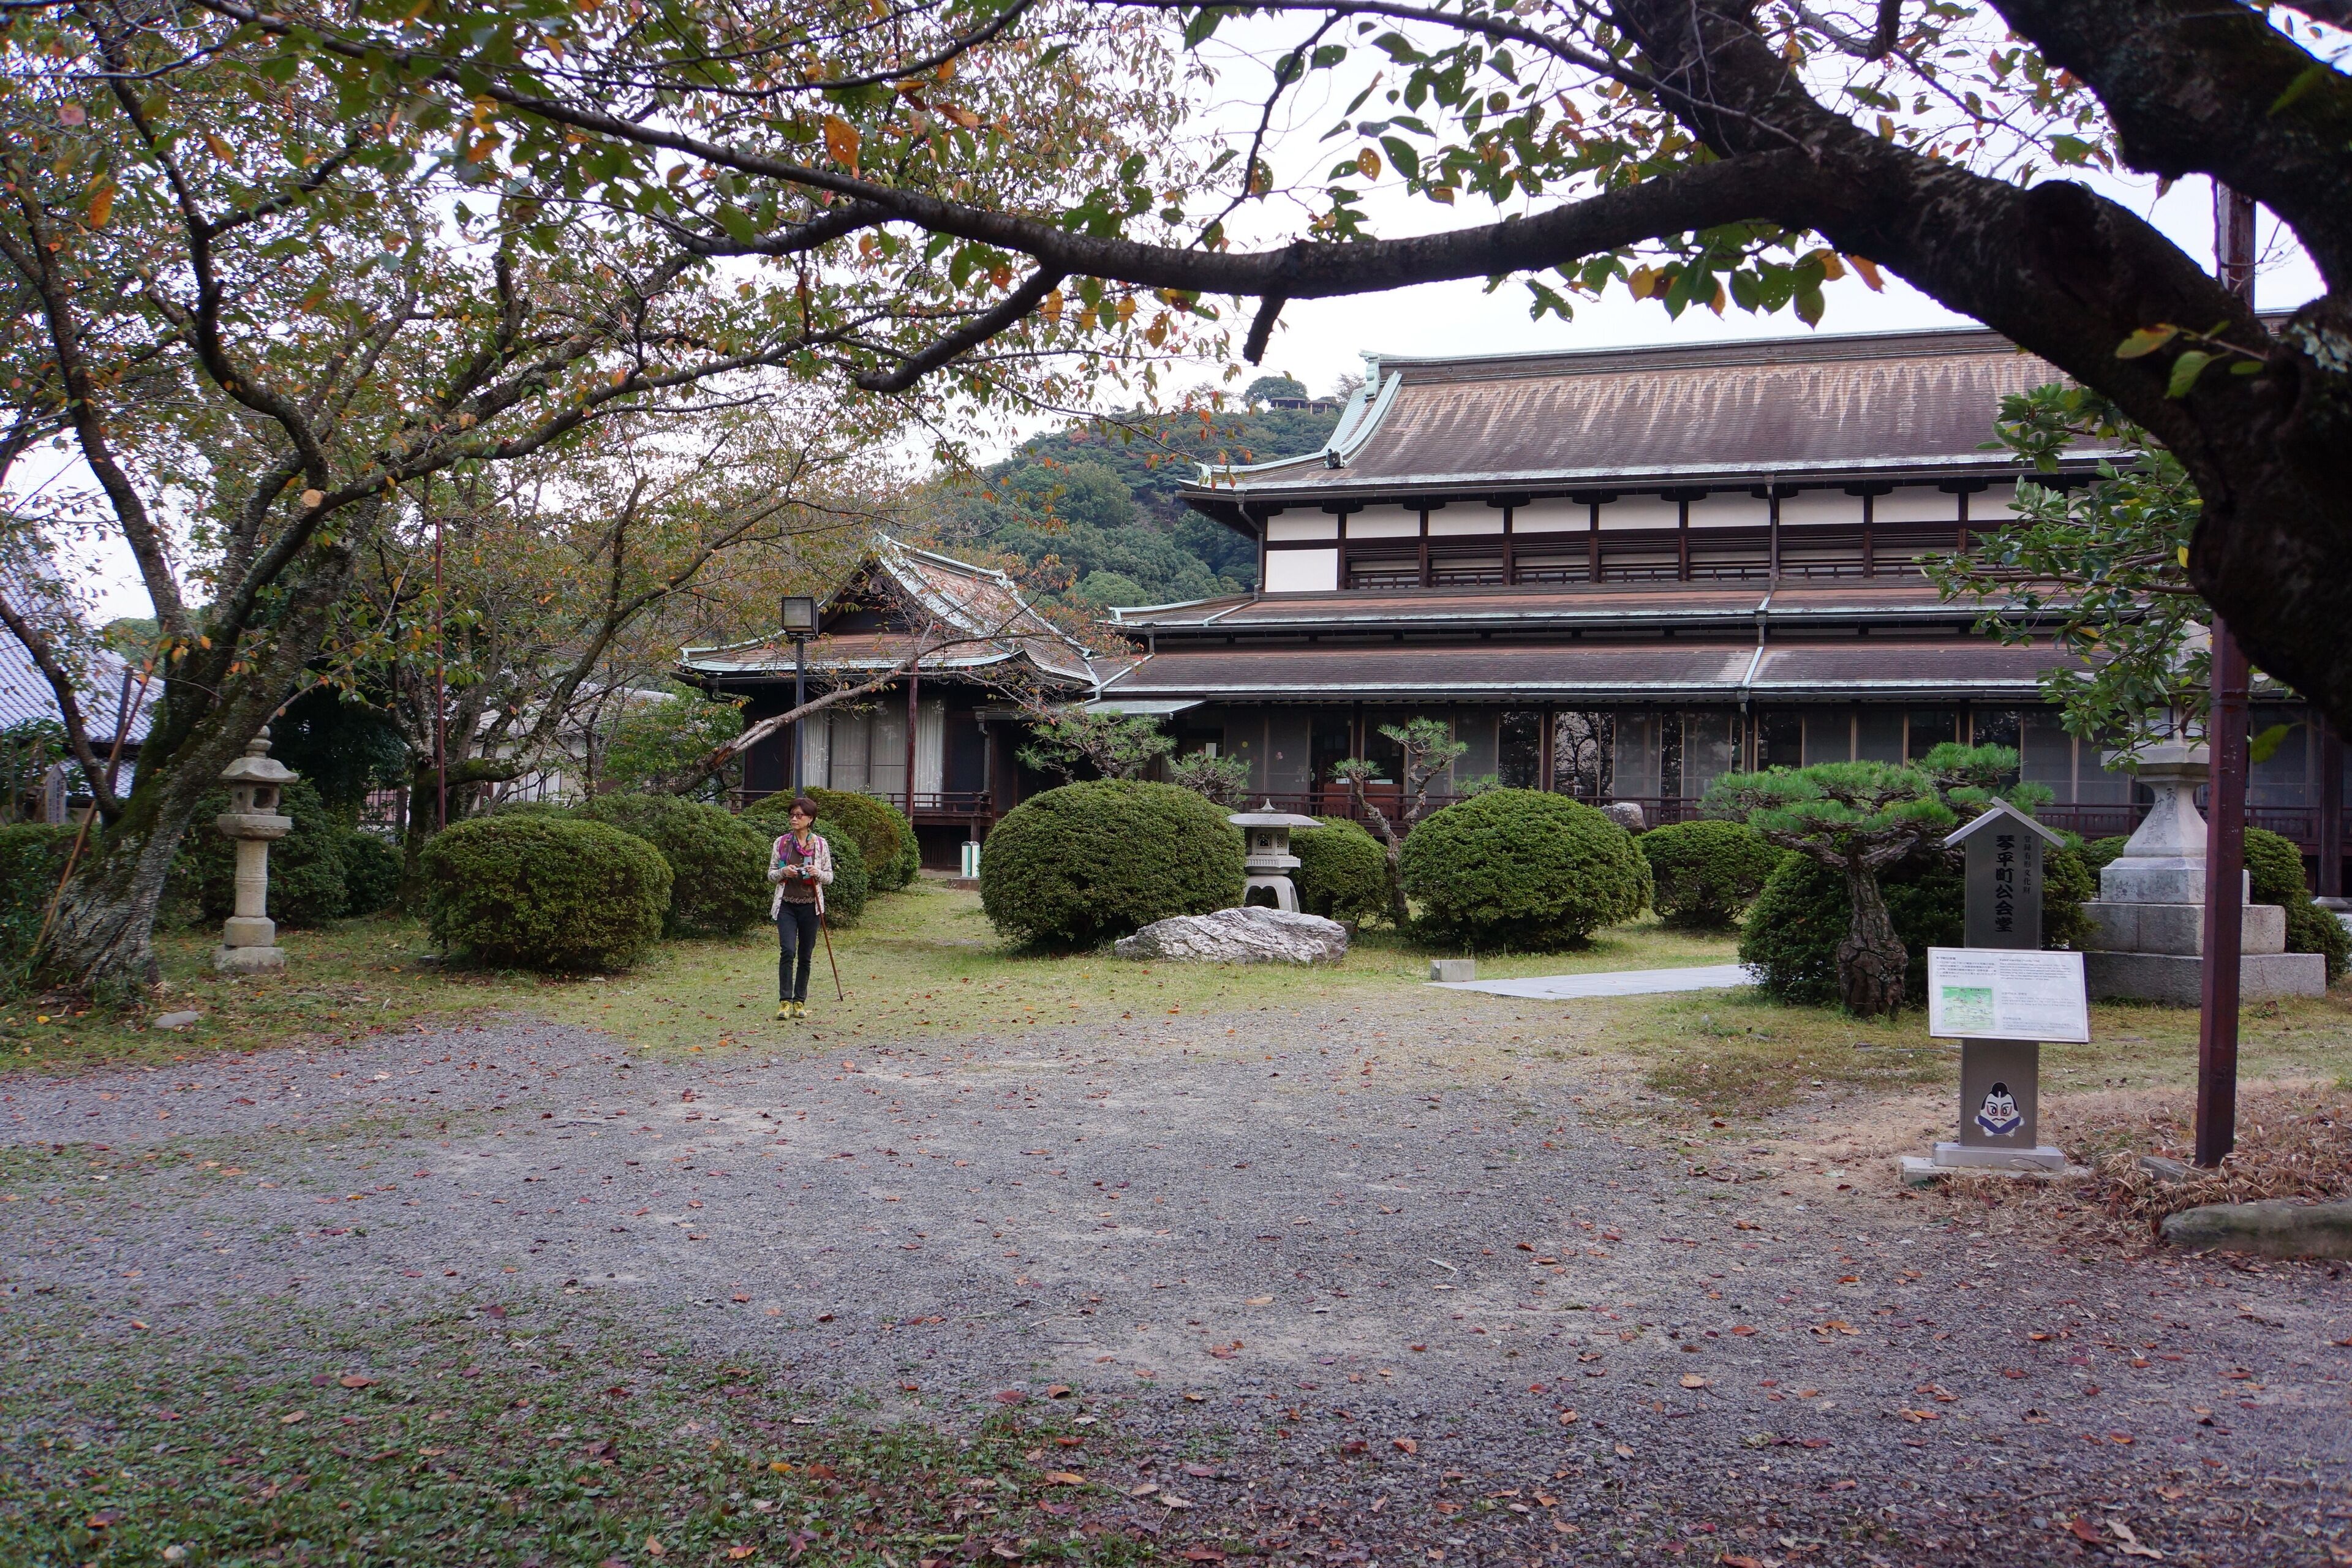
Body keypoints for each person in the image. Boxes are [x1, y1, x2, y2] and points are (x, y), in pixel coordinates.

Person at [767, 797, 834, 1020]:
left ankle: (800, 1001)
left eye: (799, 815)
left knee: (805, 955)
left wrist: (817, 873)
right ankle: (785, 1001)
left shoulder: (820, 845)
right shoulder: (781, 843)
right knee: (788, 951)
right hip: (786, 905)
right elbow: (771, 874)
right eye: (792, 815)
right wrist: (783, 872)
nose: (794, 819)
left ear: (810, 819)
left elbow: (829, 877)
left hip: (810, 907)